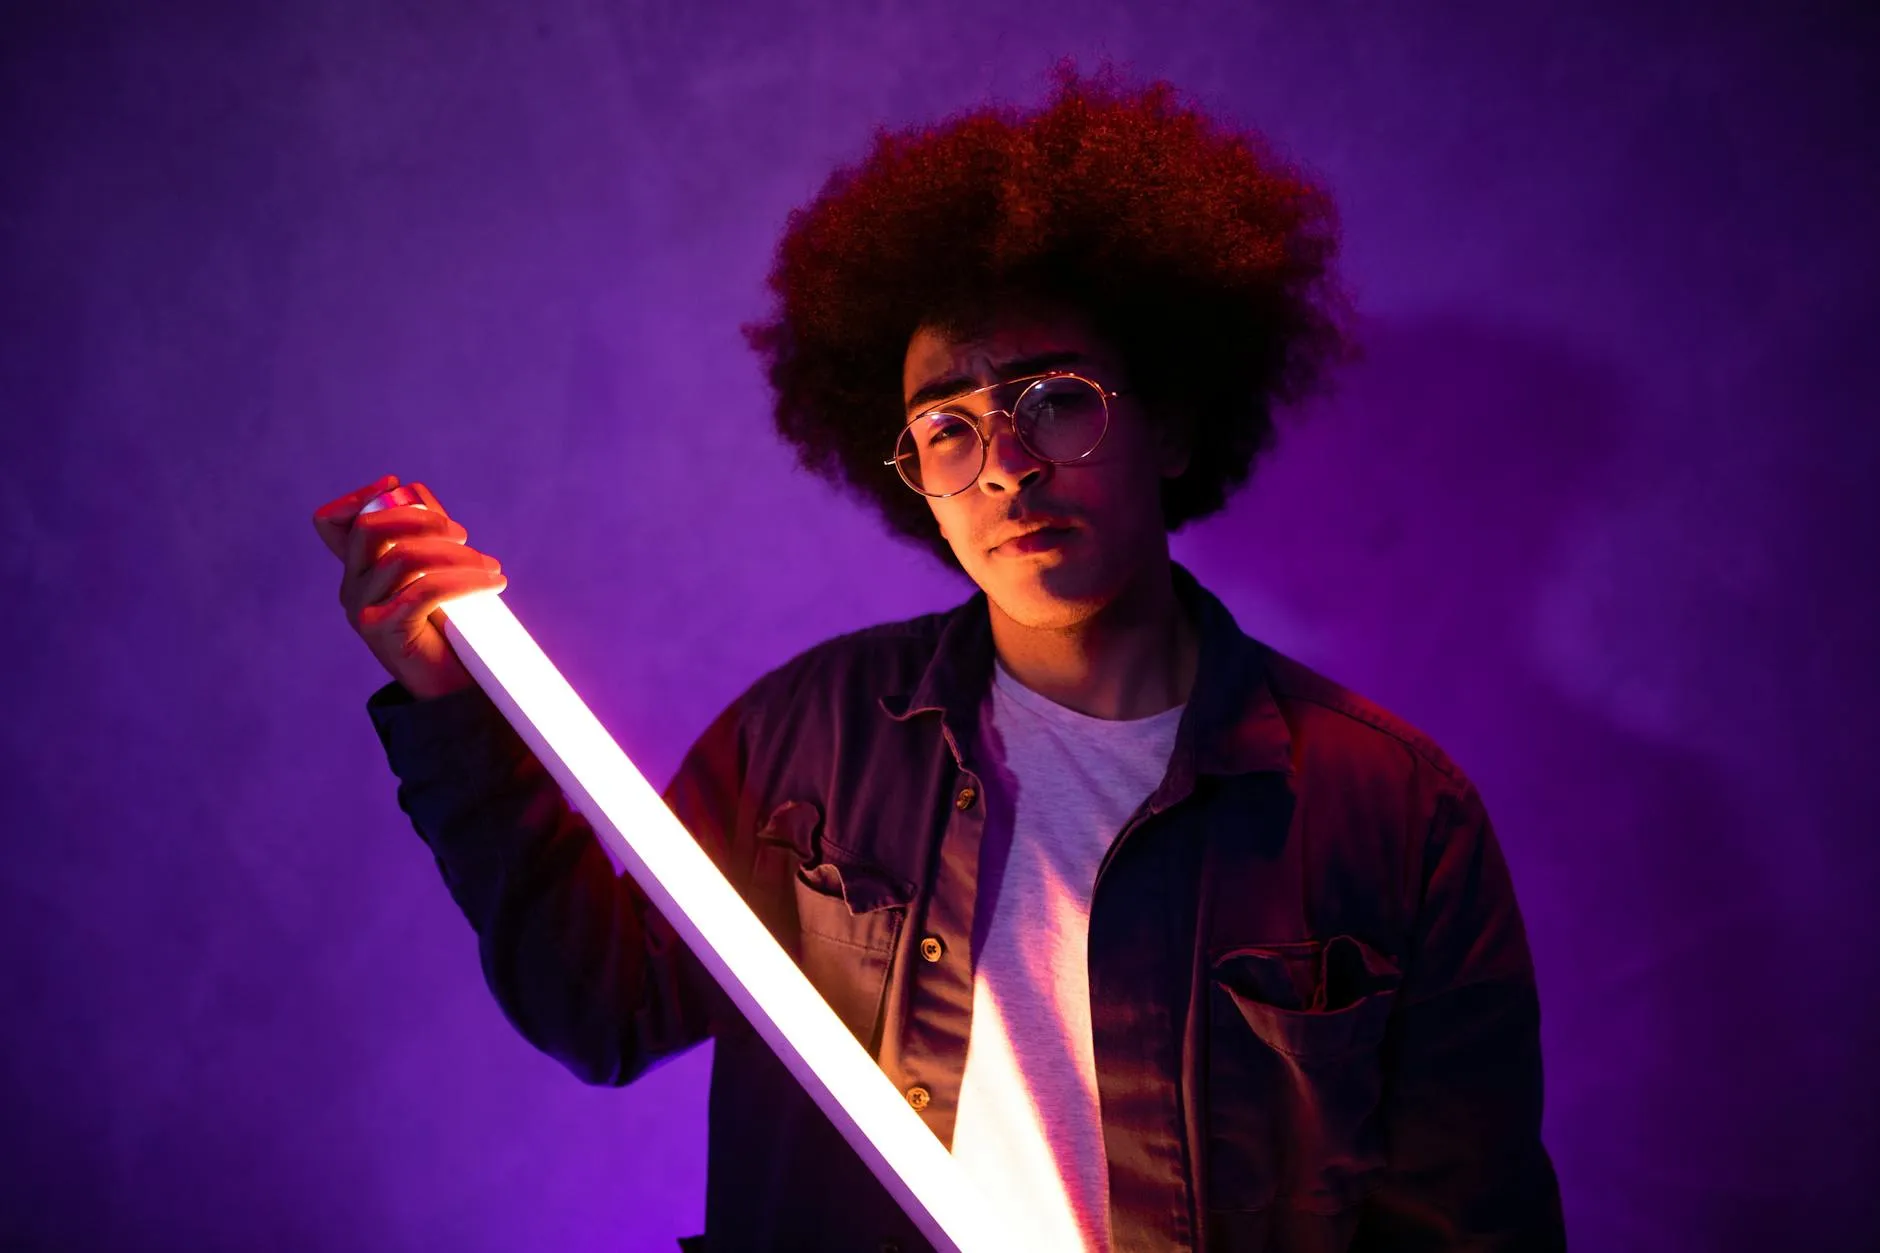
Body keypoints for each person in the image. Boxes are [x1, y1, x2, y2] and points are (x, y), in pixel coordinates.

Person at [313, 68, 1564, 1253]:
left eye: (1053, 400)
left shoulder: (1390, 812)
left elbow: (1469, 1226)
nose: (1005, 466)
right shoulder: (806, 738)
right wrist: (450, 697)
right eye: (946, 429)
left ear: (1173, 424)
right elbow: (599, 1003)